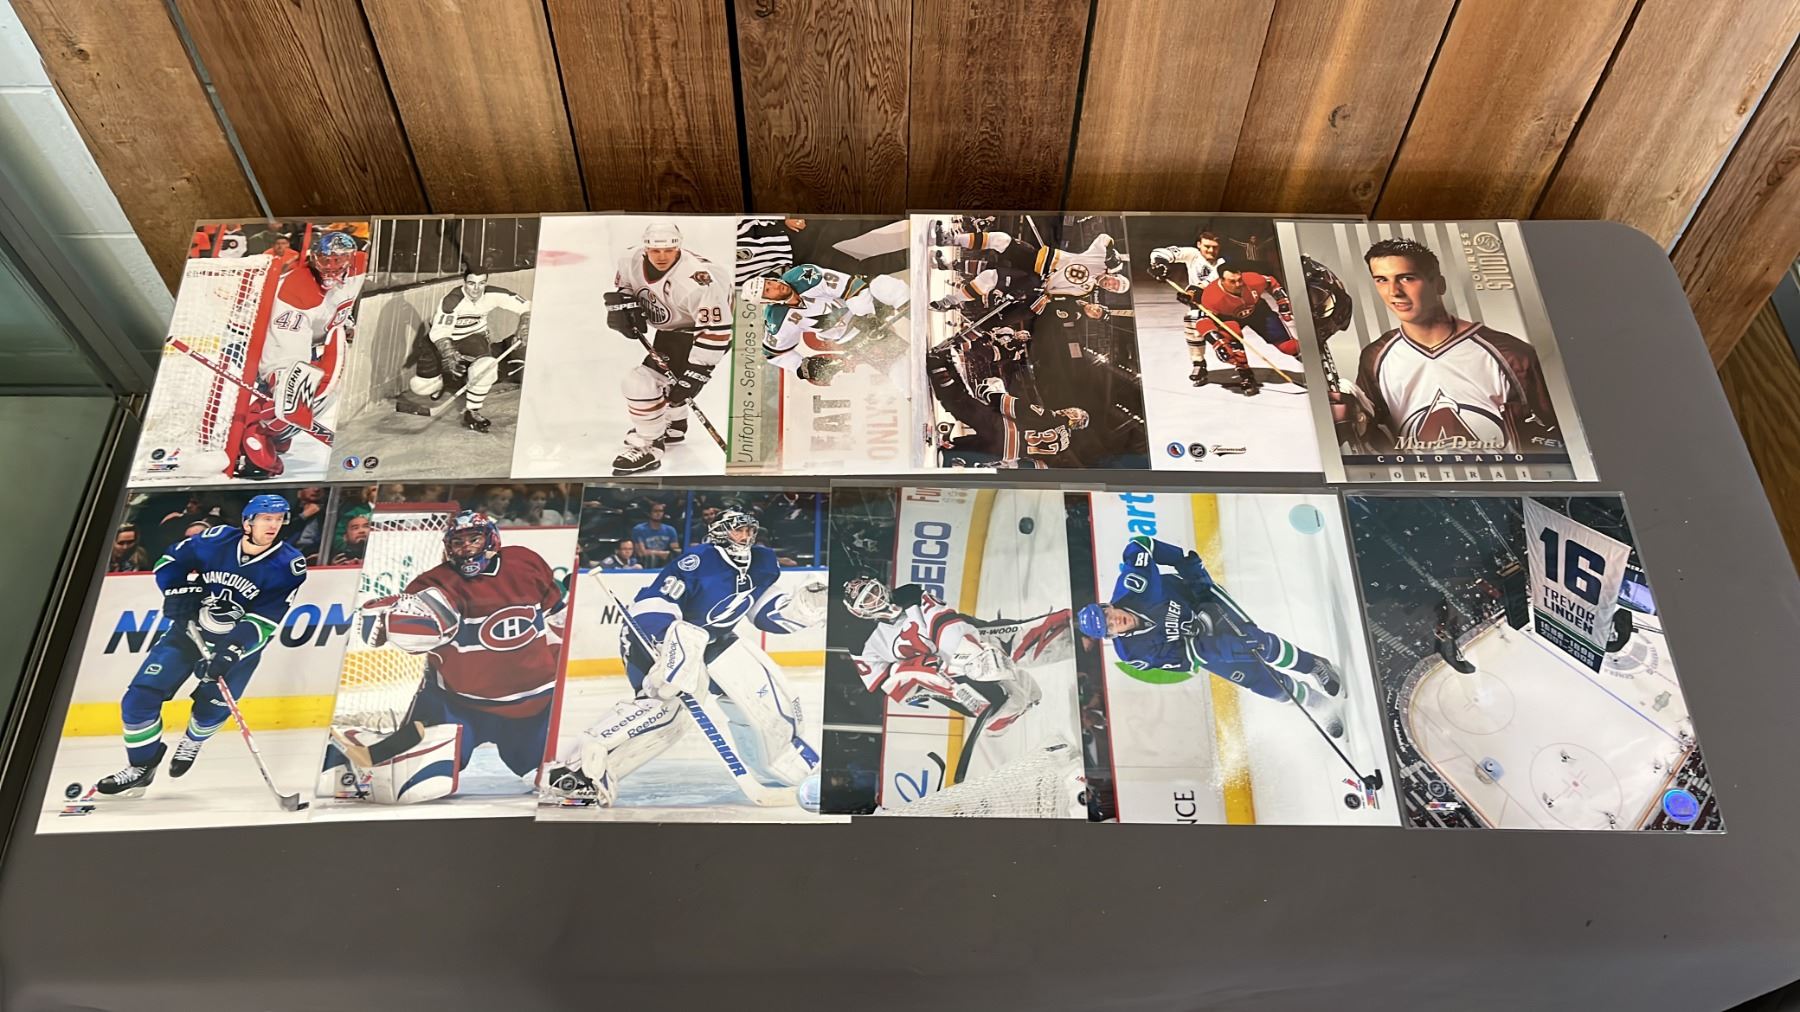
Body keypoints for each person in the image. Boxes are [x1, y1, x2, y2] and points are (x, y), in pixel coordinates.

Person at [543, 510, 826, 806]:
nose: (745, 537)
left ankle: (785, 763)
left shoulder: (762, 562)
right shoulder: (698, 561)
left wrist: (802, 608)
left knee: (762, 689)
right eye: (738, 530)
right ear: (720, 532)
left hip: (711, 640)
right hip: (654, 636)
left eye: (748, 531)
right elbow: (657, 601)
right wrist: (665, 643)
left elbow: (764, 613)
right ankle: (578, 771)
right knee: (667, 710)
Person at [324, 510, 566, 804]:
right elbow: (408, 636)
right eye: (458, 543)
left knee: (560, 781)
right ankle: (353, 747)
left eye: (474, 540)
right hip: (458, 706)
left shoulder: (524, 562)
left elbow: (558, 615)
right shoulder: (433, 584)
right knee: (415, 786)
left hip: (536, 705)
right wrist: (390, 623)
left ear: (491, 539)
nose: (466, 549)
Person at [93, 496, 307, 796]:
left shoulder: (289, 565)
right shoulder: (216, 540)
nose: (273, 525)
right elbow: (170, 561)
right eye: (266, 518)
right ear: (248, 521)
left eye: (278, 519)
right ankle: (141, 767)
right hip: (187, 634)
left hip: (237, 649)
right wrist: (176, 590)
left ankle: (193, 741)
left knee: (210, 710)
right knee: (138, 700)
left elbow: (265, 620)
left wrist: (230, 651)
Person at [1076, 535, 1346, 737]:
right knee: (1261, 682)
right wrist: (1226, 648)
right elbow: (1188, 657)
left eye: (1107, 615)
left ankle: (1313, 665)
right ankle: (1317, 704)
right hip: (1200, 647)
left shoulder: (1134, 584)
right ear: (1109, 636)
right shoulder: (1134, 652)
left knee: (1258, 642)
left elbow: (1140, 544)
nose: (1115, 621)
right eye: (1109, 627)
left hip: (1202, 601)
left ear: (1107, 605)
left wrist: (1184, 563)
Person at [1332, 237, 1564, 455]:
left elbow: (1559, 435)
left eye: (1407, 278)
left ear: (1439, 284)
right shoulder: (1375, 357)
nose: (1394, 292)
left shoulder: (1512, 354)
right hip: (1421, 484)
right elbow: (1376, 441)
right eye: (1382, 280)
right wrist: (1356, 422)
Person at [844, 578, 1071, 735]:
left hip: (969, 639)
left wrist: (970, 653)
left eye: (874, 591)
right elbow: (883, 681)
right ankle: (1002, 704)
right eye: (867, 599)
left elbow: (941, 620)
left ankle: (1078, 635)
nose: (876, 598)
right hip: (936, 671)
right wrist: (926, 668)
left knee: (1028, 637)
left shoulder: (908, 594)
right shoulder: (860, 642)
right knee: (1004, 702)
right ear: (859, 611)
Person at [230, 230, 367, 480]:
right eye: (325, 260)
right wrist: (286, 387)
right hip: (260, 336)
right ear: (314, 258)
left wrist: (344, 322)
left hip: (309, 336)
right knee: (298, 393)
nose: (331, 267)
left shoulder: (359, 264)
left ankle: (278, 435)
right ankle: (256, 428)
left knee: (314, 394)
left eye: (338, 260)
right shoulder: (297, 293)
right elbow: (286, 357)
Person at [605, 220, 731, 475]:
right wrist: (624, 306)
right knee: (671, 382)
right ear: (645, 248)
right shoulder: (629, 259)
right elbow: (626, 286)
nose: (662, 256)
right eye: (655, 250)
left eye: (669, 250)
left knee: (640, 383)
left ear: (678, 247)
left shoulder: (697, 281)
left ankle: (649, 445)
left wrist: (698, 372)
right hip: (672, 328)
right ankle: (674, 426)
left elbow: (716, 329)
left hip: (702, 332)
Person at [739, 262, 909, 384]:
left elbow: (853, 287)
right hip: (851, 337)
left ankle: (913, 307)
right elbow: (774, 354)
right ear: (766, 301)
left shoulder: (803, 275)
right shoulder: (776, 319)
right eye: (768, 290)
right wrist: (803, 366)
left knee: (881, 284)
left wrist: (867, 316)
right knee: (898, 370)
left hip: (866, 306)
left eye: (769, 282)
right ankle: (912, 390)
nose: (775, 286)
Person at [410, 265, 532, 432]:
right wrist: (448, 353)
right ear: (464, 282)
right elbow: (439, 331)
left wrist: (524, 326)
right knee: (421, 387)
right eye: (471, 283)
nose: (476, 289)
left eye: (481, 283)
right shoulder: (452, 300)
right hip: (441, 340)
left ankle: (472, 411)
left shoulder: (493, 294)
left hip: (473, 338)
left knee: (486, 367)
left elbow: (526, 305)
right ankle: (442, 380)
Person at [1182, 265, 1297, 394]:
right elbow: (1203, 322)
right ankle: (1246, 374)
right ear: (1221, 280)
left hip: (1258, 311)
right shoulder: (1211, 296)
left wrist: (1282, 302)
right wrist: (1217, 343)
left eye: (1239, 280)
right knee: (1230, 348)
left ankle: (1308, 357)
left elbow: (1271, 282)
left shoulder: (1251, 279)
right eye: (1232, 281)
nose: (1238, 284)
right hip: (1229, 318)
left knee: (1289, 347)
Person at [630, 502, 680, 567]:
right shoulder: (639, 529)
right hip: (645, 563)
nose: (658, 513)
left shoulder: (670, 530)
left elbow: (675, 551)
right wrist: (661, 553)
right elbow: (641, 553)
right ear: (649, 513)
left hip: (665, 563)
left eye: (661, 511)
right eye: (655, 511)